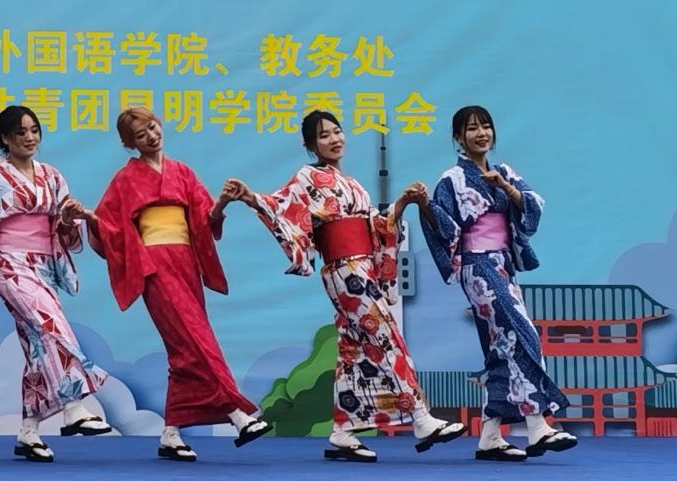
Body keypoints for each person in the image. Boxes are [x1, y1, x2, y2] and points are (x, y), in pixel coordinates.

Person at [230, 110, 465, 462]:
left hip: (362, 266)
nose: (334, 139)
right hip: (345, 269)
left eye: (337, 132)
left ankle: (342, 431)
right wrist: (251, 197)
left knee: (352, 351)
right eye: (324, 135)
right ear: (311, 145)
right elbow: (281, 205)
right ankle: (420, 417)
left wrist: (403, 202)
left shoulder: (353, 184)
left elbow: (377, 227)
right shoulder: (308, 177)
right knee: (386, 337)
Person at [61, 107, 271, 462]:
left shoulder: (183, 172)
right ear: (130, 144)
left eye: (152, 127)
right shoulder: (125, 179)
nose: (151, 136)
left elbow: (205, 222)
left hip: (186, 263)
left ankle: (170, 433)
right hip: (154, 265)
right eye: (140, 134)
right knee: (197, 340)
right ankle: (238, 414)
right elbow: (112, 229)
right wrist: (90, 217)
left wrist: (223, 201)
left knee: (182, 350)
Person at [0, 106, 112, 463]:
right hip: (10, 264)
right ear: (5, 138)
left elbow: (62, 226)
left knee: (37, 346)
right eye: (20, 132)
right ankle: (73, 406)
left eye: (34, 130)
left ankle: (28, 432)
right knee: (52, 325)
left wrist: (68, 218)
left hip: (43, 266)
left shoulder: (52, 176)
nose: (29, 137)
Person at [416, 105, 577, 462]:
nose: (481, 134)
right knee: (522, 333)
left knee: (500, 349)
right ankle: (537, 425)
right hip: (477, 265)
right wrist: (425, 204)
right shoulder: (452, 180)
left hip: (504, 264)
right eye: (472, 128)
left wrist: (505, 187)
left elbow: (533, 207)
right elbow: (445, 227)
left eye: (486, 126)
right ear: (458, 137)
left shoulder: (504, 172)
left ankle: (490, 437)